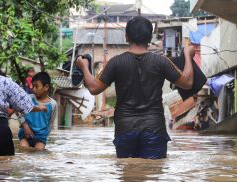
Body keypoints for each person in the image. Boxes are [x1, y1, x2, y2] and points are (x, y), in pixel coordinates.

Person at [75, 16, 195, 159]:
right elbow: (187, 83)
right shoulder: (161, 61)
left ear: (126, 37)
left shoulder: (116, 63)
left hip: (125, 128)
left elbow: (94, 88)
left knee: (127, 177)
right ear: (150, 37)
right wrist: (187, 55)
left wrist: (84, 67)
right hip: (154, 128)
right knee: (152, 175)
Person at [18, 71, 57, 151]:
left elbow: (50, 122)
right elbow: (19, 111)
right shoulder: (28, 98)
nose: (33, 89)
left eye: (36, 86)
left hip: (40, 138)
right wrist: (25, 126)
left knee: (39, 154)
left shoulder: (53, 104)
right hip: (25, 135)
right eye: (33, 86)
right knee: (23, 152)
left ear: (46, 87)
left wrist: (44, 136)